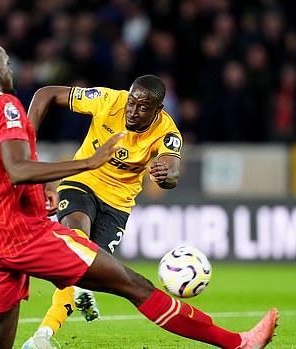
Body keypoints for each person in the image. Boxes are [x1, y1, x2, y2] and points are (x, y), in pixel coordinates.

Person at [0, 39, 278, 349]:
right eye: (8, 63)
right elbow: (18, 169)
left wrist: (165, 173)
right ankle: (237, 342)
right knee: (135, 285)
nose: (12, 69)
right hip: (27, 233)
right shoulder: (6, 107)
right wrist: (88, 162)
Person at [22, 72, 184, 349]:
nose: (132, 111)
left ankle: (41, 337)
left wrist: (164, 174)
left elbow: (173, 174)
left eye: (143, 107)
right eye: (132, 102)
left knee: (85, 269)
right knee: (76, 241)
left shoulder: (168, 133)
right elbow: (45, 93)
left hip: (118, 205)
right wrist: (26, 148)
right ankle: (42, 338)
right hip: (82, 181)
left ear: (158, 110)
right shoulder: (108, 100)